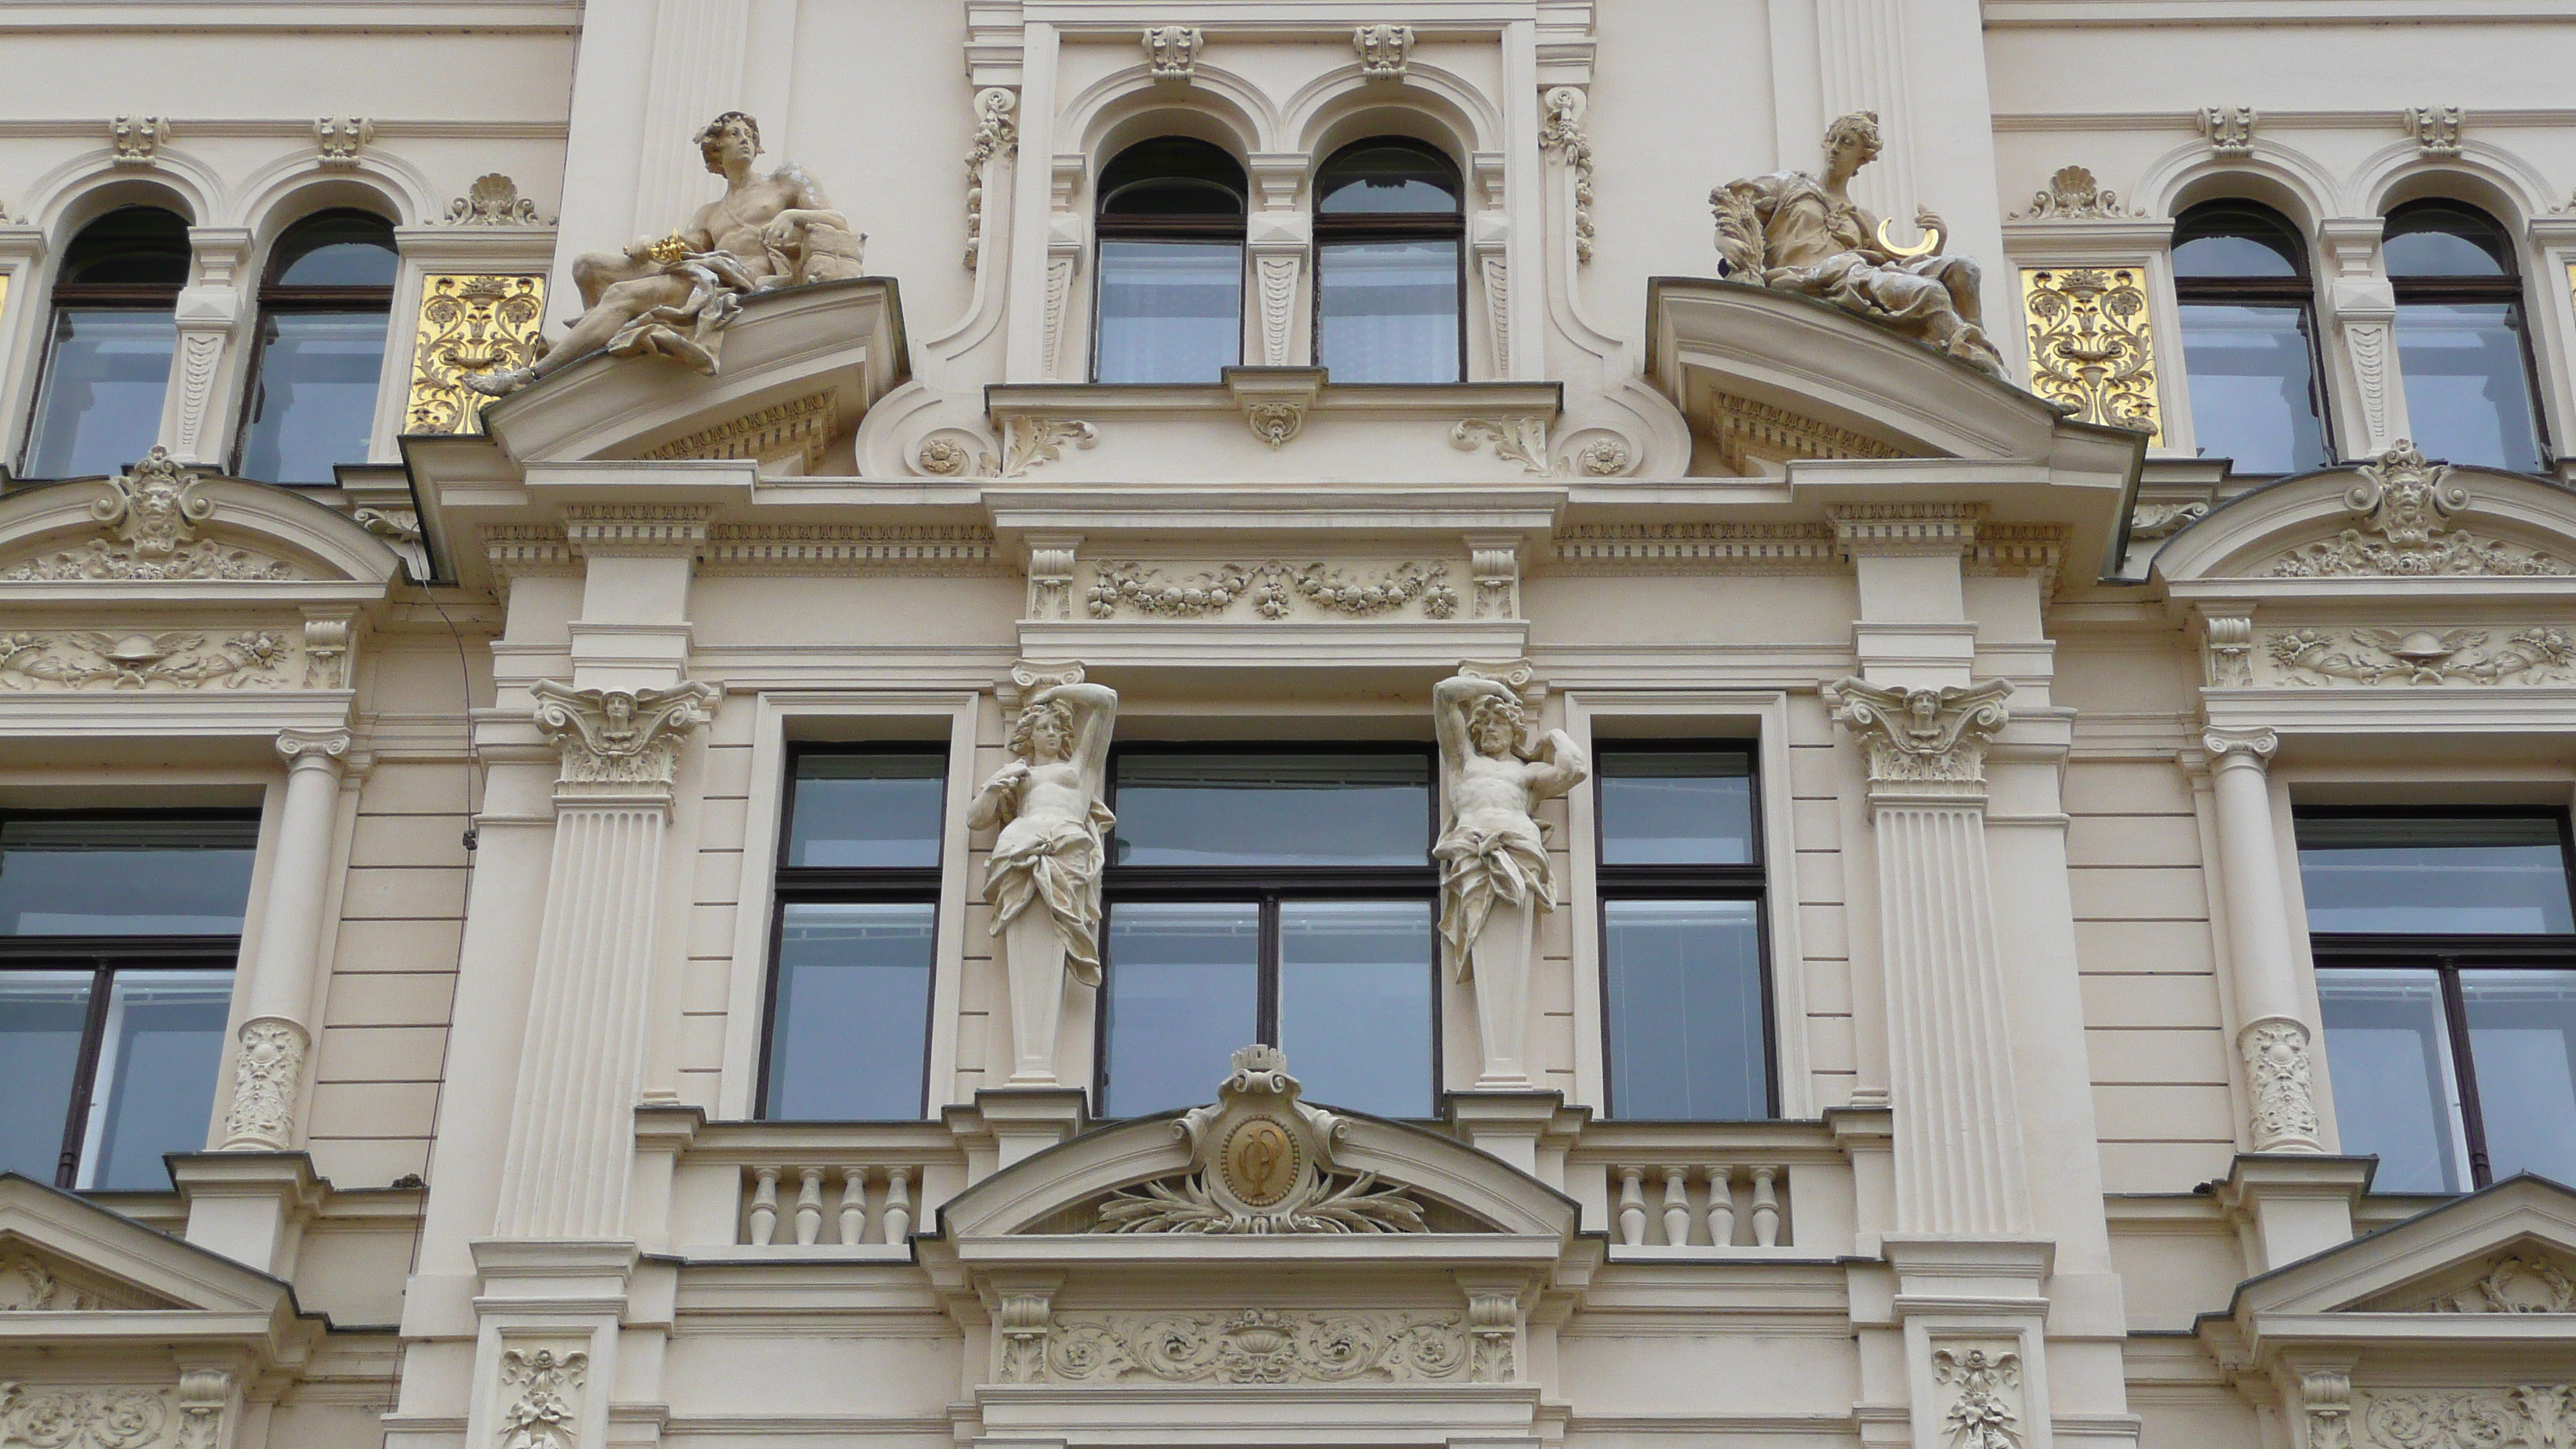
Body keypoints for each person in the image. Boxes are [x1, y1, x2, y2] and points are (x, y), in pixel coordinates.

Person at [467, 111, 863, 394]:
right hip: (710, 272)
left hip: (745, 281)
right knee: (588, 266)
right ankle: (597, 343)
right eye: (733, 135)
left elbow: (838, 221)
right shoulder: (709, 214)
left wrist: (793, 214)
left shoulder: (785, 181)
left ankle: (535, 376)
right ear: (715, 152)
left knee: (623, 295)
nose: (745, 140)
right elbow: (683, 250)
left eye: (749, 135)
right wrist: (646, 246)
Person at [1710, 111, 2007, 379]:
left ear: (1862, 158)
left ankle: (1980, 349)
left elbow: (1900, 267)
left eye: (1848, 142)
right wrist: (1725, 242)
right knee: (1930, 293)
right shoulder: (1789, 185)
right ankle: (1969, 354)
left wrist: (1937, 240)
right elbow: (1735, 204)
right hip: (1814, 276)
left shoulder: (1861, 219)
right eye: (1833, 140)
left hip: (1854, 272)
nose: (1836, 148)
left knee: (1965, 269)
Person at [1431, 673, 1588, 980]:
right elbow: (1443, 693)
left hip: (1521, 854)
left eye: (1498, 722)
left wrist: (1554, 736)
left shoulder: (1527, 775)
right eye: (1484, 722)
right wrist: (1495, 688)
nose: (1490, 728)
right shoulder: (1462, 761)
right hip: (1473, 852)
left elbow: (1576, 769)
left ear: (1514, 731)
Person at [968, 681, 1120, 986]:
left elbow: (1107, 700)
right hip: (1021, 844)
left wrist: (1055, 693)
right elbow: (975, 820)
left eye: (1057, 727)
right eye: (1044, 727)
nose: (1052, 732)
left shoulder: (1080, 768)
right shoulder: (1019, 776)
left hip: (1065, 844)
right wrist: (995, 787)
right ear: (1030, 734)